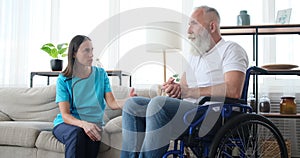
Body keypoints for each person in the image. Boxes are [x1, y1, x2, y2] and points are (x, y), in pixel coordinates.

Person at [120, 6, 249, 158]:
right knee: (132, 104)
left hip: (216, 116)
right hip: (191, 112)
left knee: (158, 104)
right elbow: (183, 87)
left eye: (193, 24)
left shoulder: (231, 50)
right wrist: (174, 88)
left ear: (212, 26)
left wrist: (191, 92)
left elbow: (233, 90)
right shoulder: (195, 56)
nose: (188, 31)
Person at [52, 35, 126, 158]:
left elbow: (112, 103)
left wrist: (129, 101)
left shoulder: (101, 74)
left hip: (93, 125)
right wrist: (83, 124)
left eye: (92, 50)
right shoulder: (64, 79)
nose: (91, 54)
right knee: (77, 133)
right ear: (74, 54)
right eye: (86, 50)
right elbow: (65, 116)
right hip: (67, 125)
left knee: (90, 136)